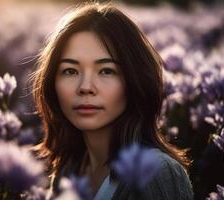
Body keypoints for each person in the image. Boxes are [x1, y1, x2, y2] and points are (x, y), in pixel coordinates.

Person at [30, 2, 194, 199]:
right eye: (70, 71)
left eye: (106, 71)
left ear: (133, 80)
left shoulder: (158, 173)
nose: (86, 87)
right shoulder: (68, 168)